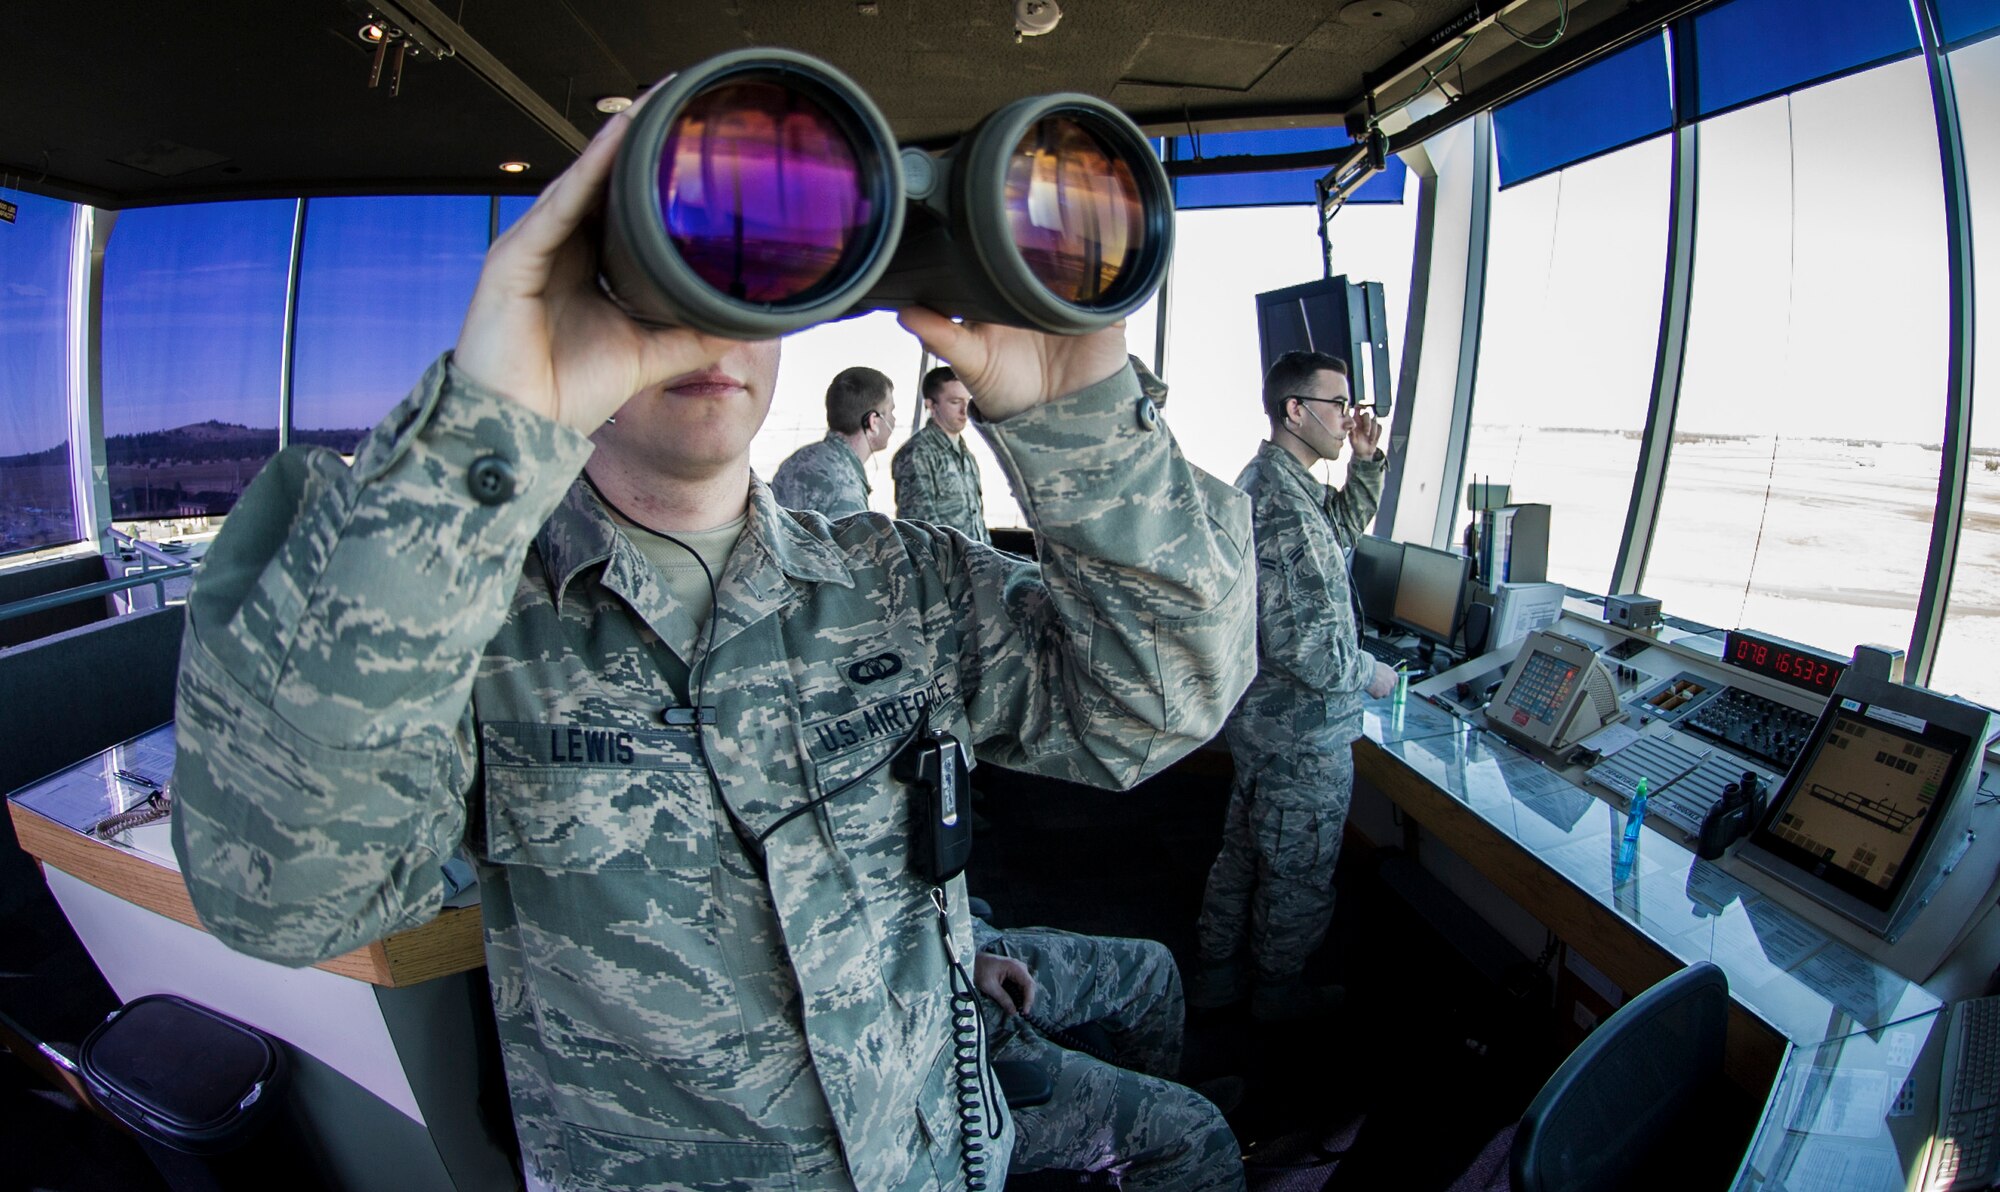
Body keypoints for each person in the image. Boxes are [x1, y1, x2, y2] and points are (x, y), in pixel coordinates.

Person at [168, 94, 1255, 1192]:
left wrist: (1078, 413)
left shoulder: (898, 582)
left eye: (767, 266)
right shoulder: (468, 617)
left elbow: (1153, 706)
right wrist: (487, 426)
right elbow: (280, 889)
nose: (720, 322)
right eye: (684, 263)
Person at [1192, 350, 1398, 1024]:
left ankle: (1218, 976)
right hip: (1299, 735)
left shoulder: (1282, 488)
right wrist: (1371, 673)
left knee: (1248, 852)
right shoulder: (1277, 504)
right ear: (1295, 410)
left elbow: (1333, 533)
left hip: (1269, 726)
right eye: (1338, 405)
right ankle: (1275, 1008)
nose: (1350, 418)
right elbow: (1306, 645)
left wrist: (1365, 463)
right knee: (1296, 877)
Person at [975, 923, 1244, 1190]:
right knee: (1197, 1133)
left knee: (1155, 966)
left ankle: (1157, 1104)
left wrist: (972, 960)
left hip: (968, 961)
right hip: (960, 1045)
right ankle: (1170, 1131)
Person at [769, 365, 897, 517]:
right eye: (891, 411)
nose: (893, 419)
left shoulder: (797, 460)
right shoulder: (847, 488)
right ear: (873, 422)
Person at [891, 366, 990, 543]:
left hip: (975, 563)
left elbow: (977, 522)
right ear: (930, 405)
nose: (964, 410)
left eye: (967, 401)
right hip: (945, 566)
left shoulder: (966, 456)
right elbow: (919, 528)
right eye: (955, 402)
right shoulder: (917, 453)